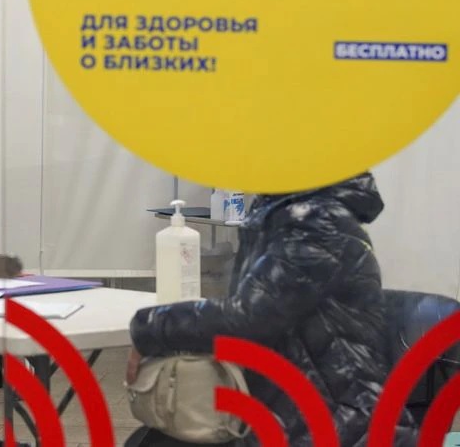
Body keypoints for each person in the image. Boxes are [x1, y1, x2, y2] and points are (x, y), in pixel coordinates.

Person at [126, 173, 417, 446]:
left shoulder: (316, 222)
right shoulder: (287, 212)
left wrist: (149, 327)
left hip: (338, 426)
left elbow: (248, 318)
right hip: (292, 412)